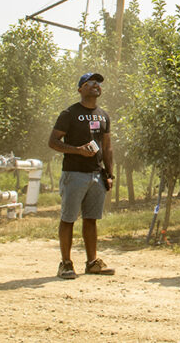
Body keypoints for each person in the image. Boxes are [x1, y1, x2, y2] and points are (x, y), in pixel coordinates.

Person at [48, 72, 116, 279]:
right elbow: (53, 142)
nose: (96, 86)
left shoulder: (103, 115)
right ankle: (66, 263)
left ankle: (92, 262)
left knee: (91, 219)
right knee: (68, 218)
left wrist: (109, 173)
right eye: (91, 83)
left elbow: (107, 147)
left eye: (98, 84)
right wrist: (78, 150)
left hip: (96, 175)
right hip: (74, 173)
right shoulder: (69, 114)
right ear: (80, 89)